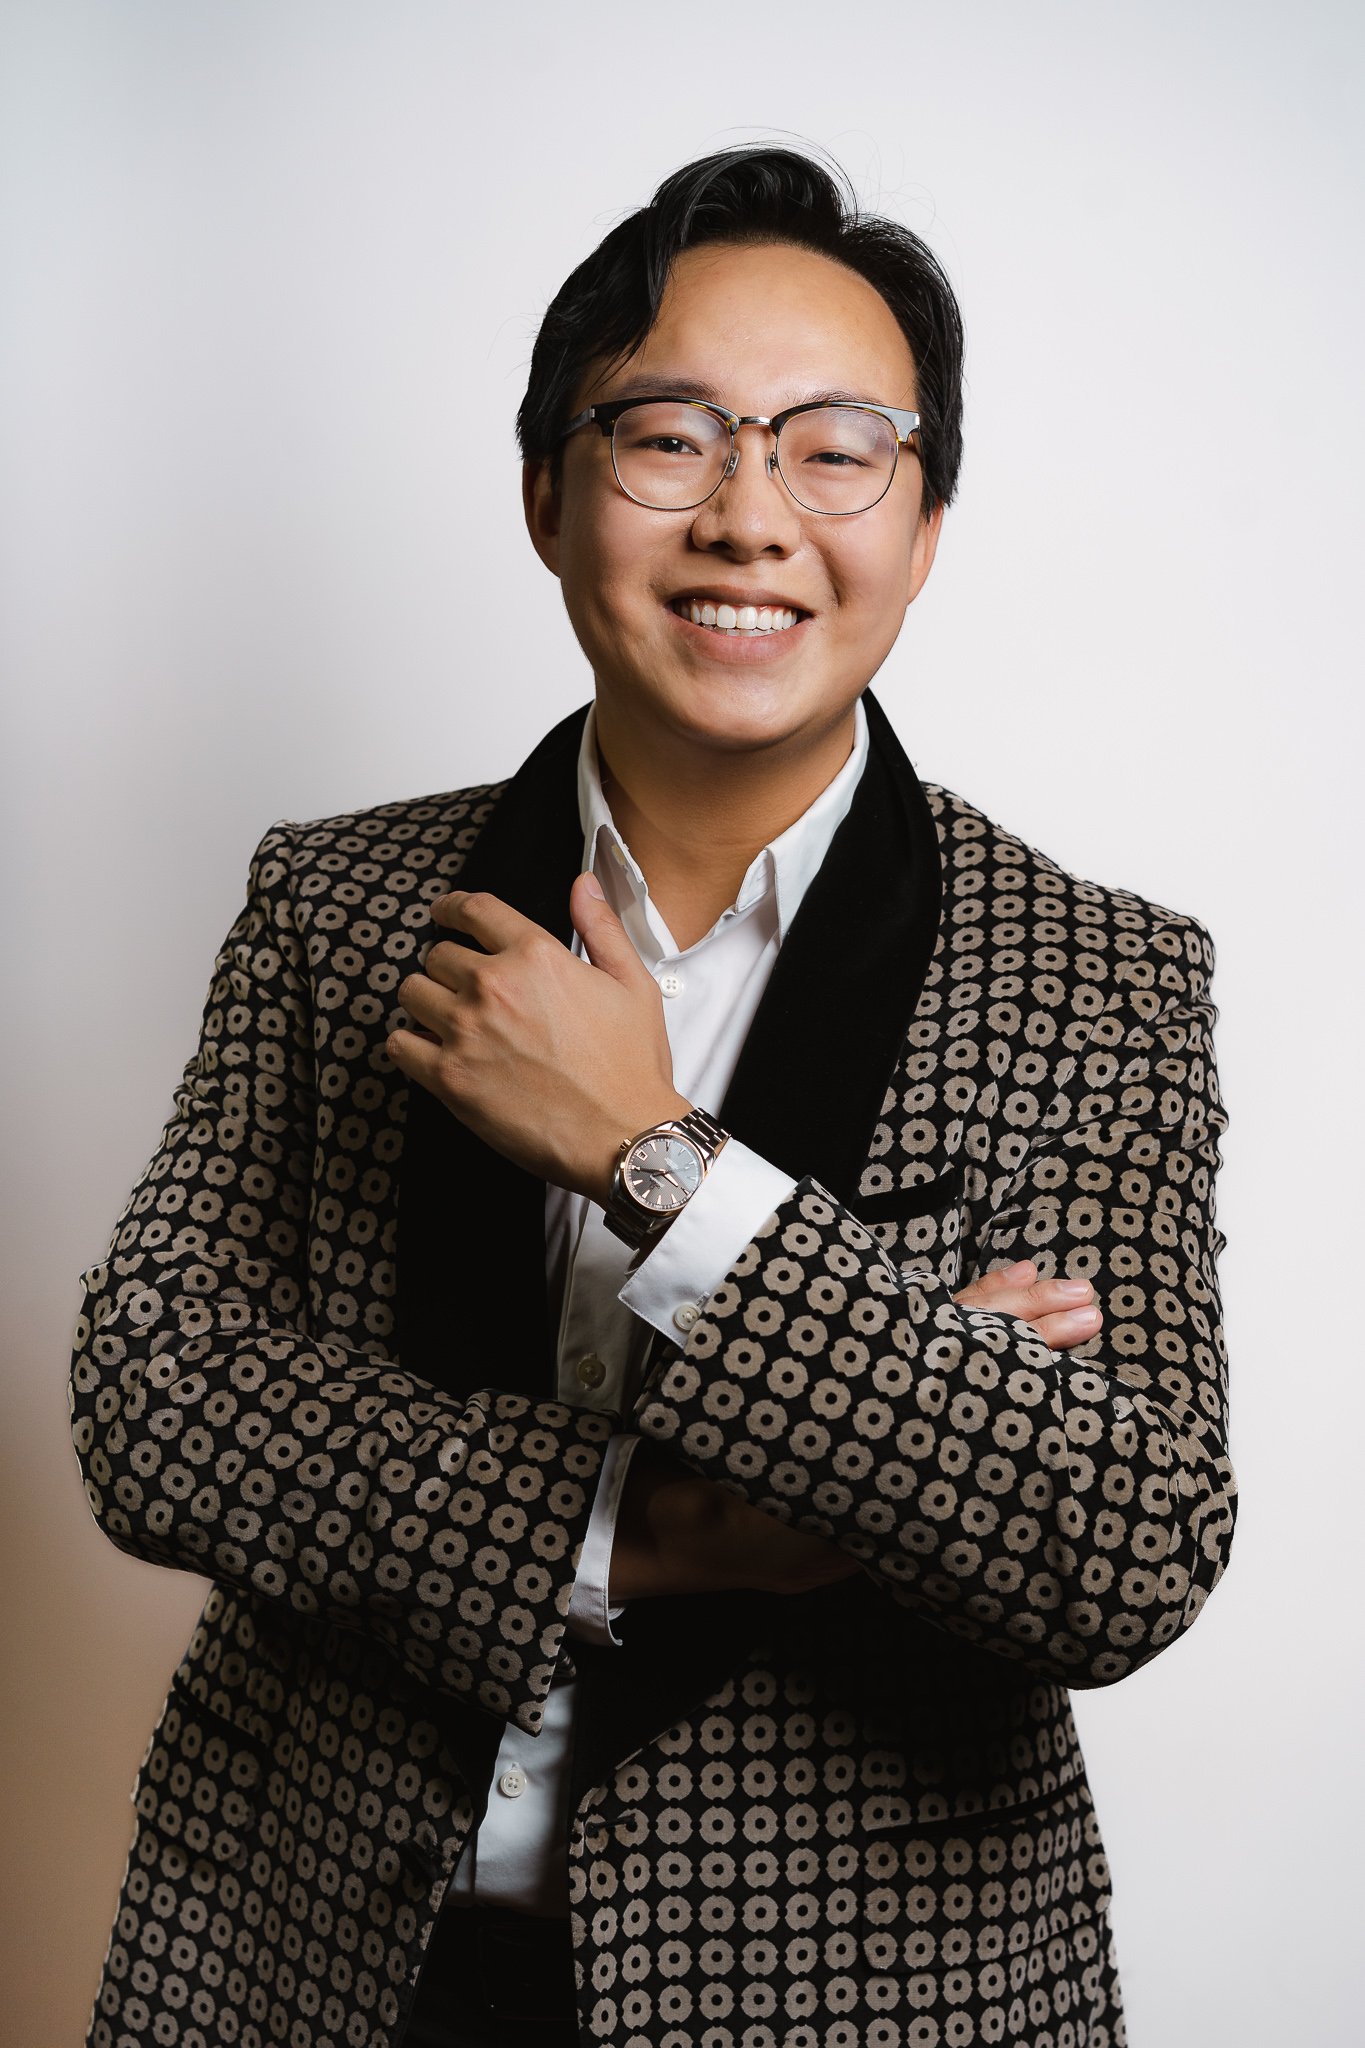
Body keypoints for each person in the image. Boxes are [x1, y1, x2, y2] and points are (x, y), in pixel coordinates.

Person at [70, 145, 1235, 2048]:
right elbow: (156, 1400)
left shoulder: (1096, 976)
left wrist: (656, 1161)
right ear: (547, 493)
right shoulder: (336, 902)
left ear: (924, 521)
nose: (752, 518)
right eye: (671, 438)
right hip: (311, 1964)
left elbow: (1116, 1537)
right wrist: (659, 1526)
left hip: (863, 1999)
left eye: (836, 447)